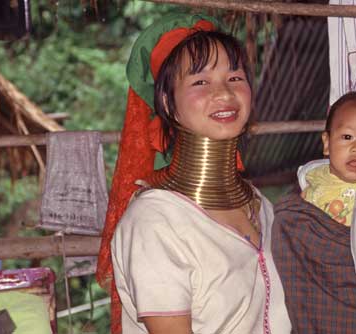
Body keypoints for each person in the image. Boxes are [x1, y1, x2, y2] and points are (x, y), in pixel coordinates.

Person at [96, 13, 291, 334]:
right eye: (200, 81)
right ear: (167, 104)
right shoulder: (156, 221)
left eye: (235, 77)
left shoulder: (257, 204)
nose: (225, 94)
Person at [272, 91, 356, 333]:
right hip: (306, 281)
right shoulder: (312, 174)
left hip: (347, 286)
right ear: (327, 143)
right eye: (347, 137)